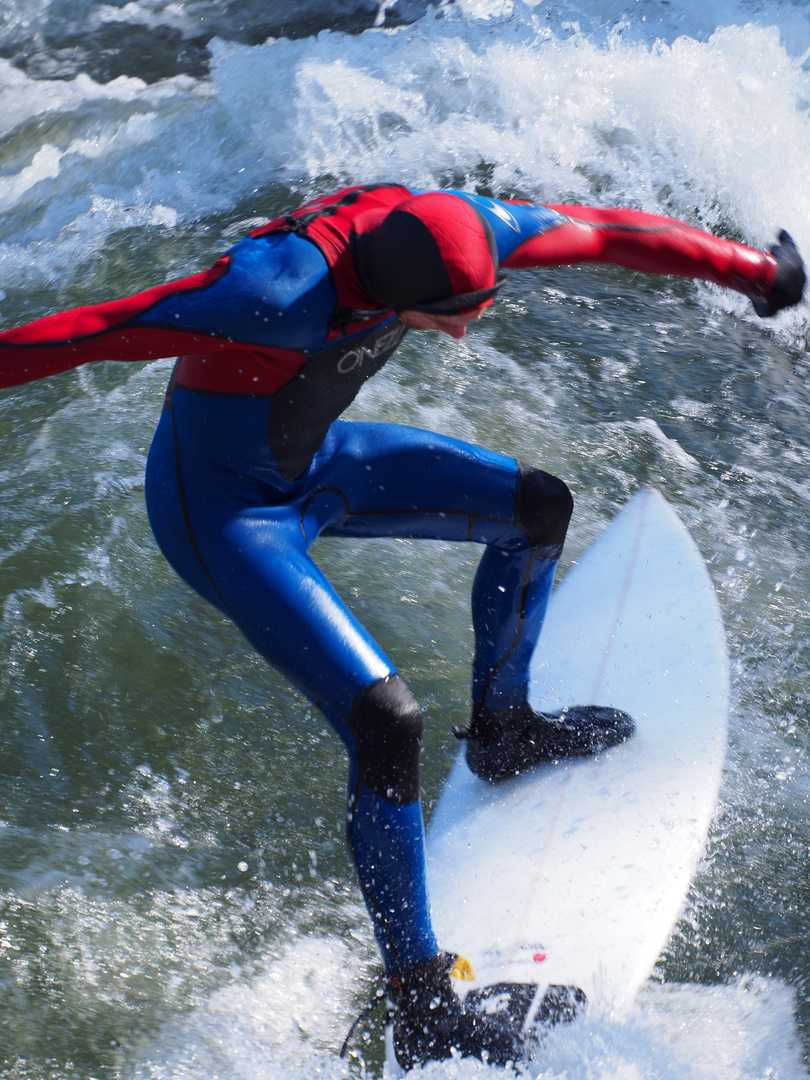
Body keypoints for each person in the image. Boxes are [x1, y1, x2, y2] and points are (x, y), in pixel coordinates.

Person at [0, 183, 804, 1068]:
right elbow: (88, 332)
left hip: (309, 462)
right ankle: (419, 1006)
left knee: (537, 508)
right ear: (396, 289)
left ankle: (505, 730)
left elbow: (609, 233)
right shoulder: (264, 296)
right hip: (222, 514)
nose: (463, 331)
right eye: (449, 316)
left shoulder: (461, 227)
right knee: (388, 721)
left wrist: (759, 273)